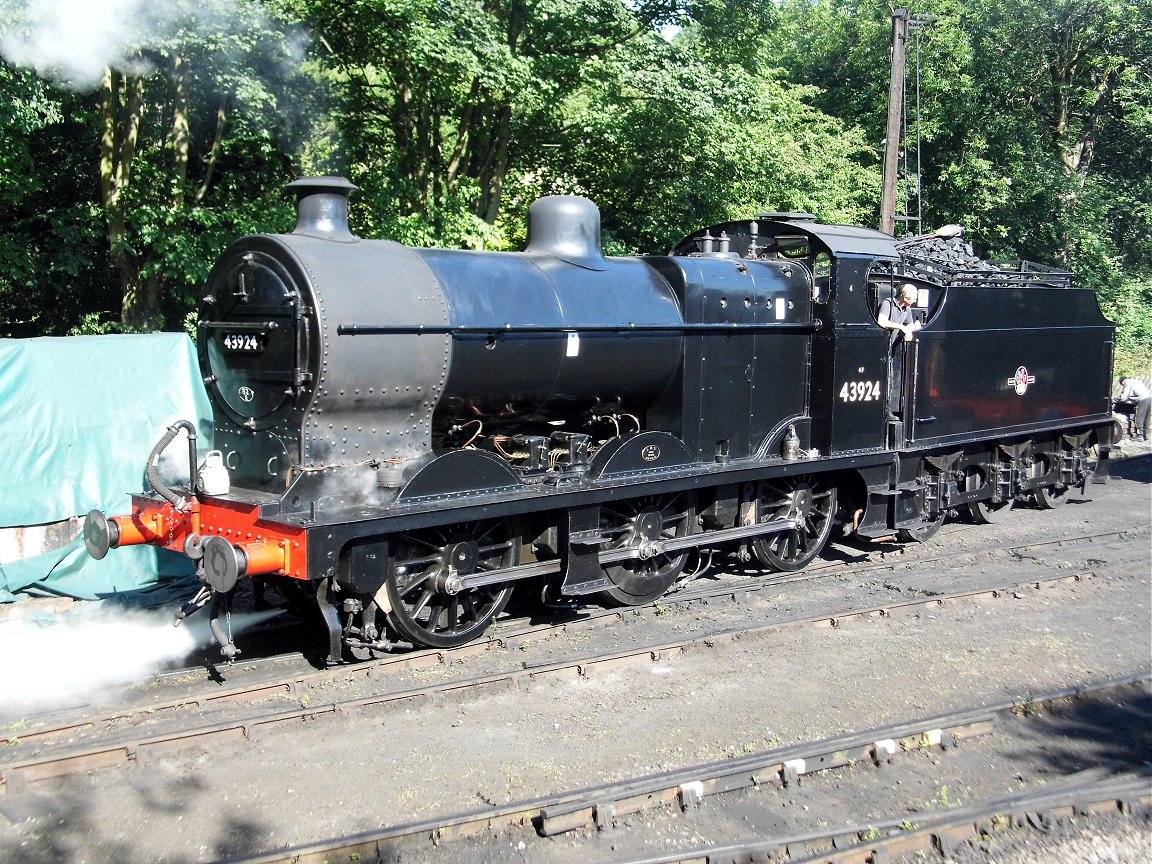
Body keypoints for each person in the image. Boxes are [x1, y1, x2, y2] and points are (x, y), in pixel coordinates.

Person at [878, 283, 921, 420]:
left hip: (892, 348)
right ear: (905, 296)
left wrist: (911, 328)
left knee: (890, 378)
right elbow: (882, 321)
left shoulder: (906, 308)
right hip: (879, 346)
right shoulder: (888, 303)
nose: (915, 300)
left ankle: (888, 410)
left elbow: (909, 324)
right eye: (913, 297)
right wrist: (901, 328)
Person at [1117, 376, 1151, 441]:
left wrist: (1118, 399)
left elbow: (1124, 398)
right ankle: (1146, 435)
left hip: (1142, 400)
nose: (1123, 386)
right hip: (1149, 397)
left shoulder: (1127, 383)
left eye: (1122, 385)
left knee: (1139, 418)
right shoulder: (1135, 381)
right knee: (1147, 417)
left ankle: (1140, 436)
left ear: (1123, 382)